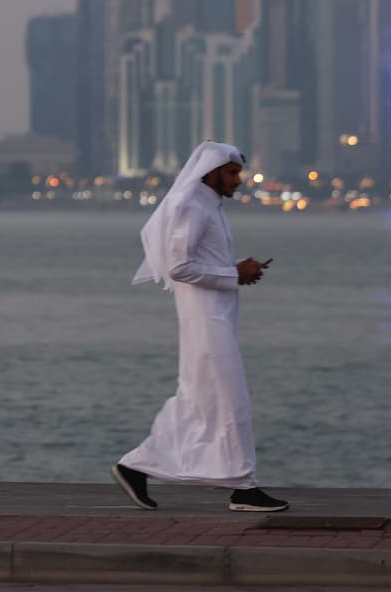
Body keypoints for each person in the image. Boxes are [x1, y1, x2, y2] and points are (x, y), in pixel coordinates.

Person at [114, 142, 286, 513]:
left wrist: (239, 267)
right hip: (205, 320)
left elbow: (205, 261)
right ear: (210, 172)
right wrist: (234, 272)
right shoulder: (190, 206)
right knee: (228, 398)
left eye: (238, 172)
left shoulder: (208, 205)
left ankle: (135, 465)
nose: (238, 180)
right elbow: (179, 267)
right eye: (232, 172)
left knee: (201, 399)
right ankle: (244, 487)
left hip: (217, 314)